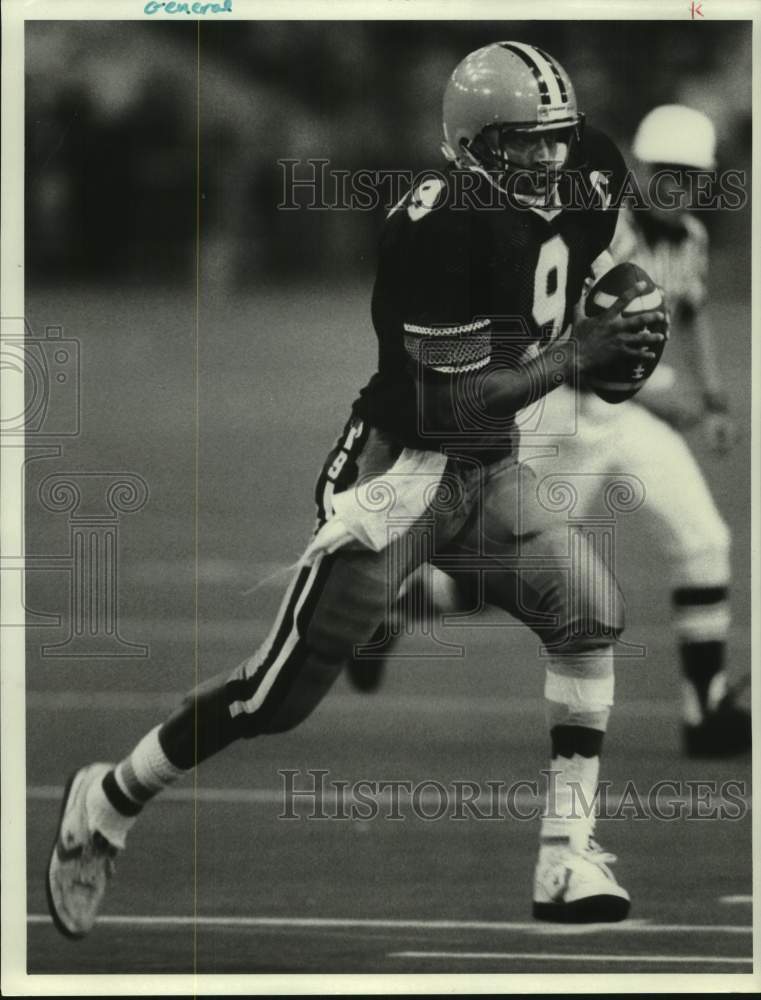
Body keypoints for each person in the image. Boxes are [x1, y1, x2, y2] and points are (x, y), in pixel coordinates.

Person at [47, 41, 665, 938]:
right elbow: (449, 400)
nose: (544, 160)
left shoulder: (590, 169)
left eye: (554, 140)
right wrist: (580, 357)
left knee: (588, 617)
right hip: (402, 472)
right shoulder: (437, 225)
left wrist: (621, 318)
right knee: (272, 699)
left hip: (488, 464)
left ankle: (565, 857)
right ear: (467, 146)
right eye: (519, 145)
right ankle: (105, 801)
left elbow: (604, 259)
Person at [348, 104, 751, 761]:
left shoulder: (690, 238)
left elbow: (691, 311)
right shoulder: (602, 229)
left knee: (704, 539)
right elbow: (575, 343)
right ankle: (386, 611)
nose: (677, 187)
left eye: (690, 177)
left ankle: (701, 713)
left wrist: (710, 398)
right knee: (490, 578)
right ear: (640, 169)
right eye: (666, 173)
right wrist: (660, 392)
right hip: (562, 416)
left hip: (628, 420)